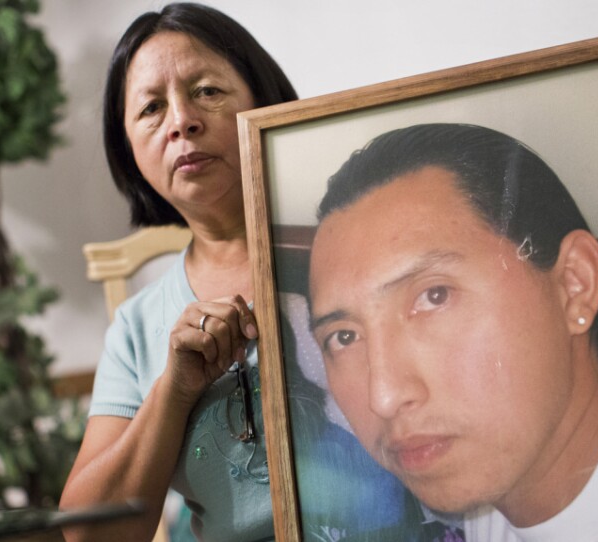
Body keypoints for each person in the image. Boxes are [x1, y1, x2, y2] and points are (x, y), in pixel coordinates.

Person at [60, 4, 427, 541]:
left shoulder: (375, 249)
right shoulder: (138, 328)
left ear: (264, 101)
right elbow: (88, 535)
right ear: (128, 149)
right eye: (151, 109)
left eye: (207, 90)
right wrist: (175, 391)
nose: (182, 121)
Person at [307, 123, 598, 541]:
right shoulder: (485, 519)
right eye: (344, 337)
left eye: (434, 295)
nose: (384, 397)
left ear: (574, 285)